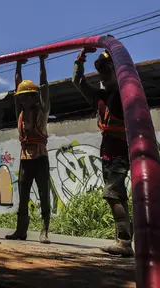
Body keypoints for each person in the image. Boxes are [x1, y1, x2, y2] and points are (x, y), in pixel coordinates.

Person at [72, 46, 134, 257]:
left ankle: (125, 241)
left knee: (112, 195)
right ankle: (124, 242)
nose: (103, 75)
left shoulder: (125, 95)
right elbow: (78, 82)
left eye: (107, 70)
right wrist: (81, 58)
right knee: (118, 197)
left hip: (120, 154)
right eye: (101, 71)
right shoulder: (99, 97)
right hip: (107, 154)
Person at [6, 55, 51, 244]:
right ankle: (21, 230)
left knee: (43, 195)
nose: (22, 101)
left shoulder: (42, 110)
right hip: (25, 159)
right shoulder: (21, 113)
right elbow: (18, 86)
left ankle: (45, 231)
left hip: (40, 159)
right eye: (20, 98)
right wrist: (17, 65)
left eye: (25, 97)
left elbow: (44, 87)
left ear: (34, 97)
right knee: (23, 197)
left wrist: (41, 61)